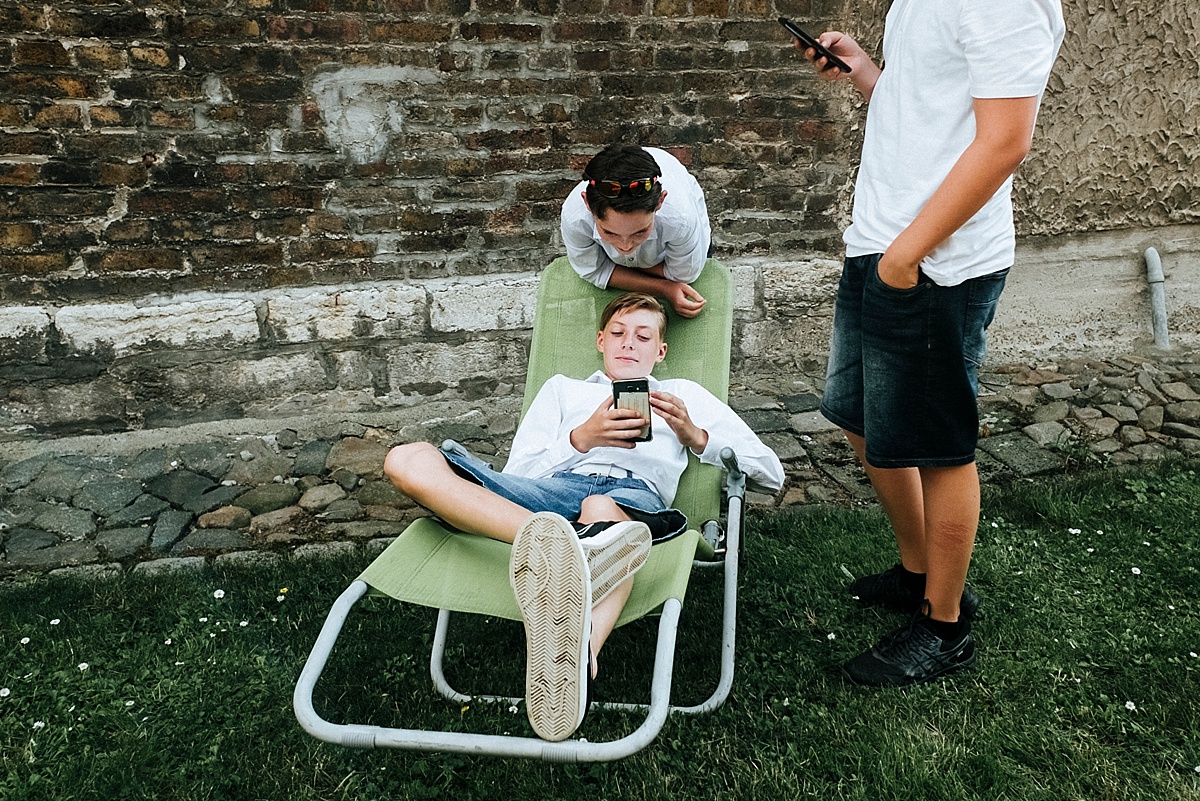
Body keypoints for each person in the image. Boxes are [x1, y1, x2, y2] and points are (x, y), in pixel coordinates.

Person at [795, 2, 1065, 686]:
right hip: (882, 238)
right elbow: (928, 110)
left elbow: (1005, 140)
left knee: (940, 448)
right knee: (855, 412)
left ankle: (944, 625)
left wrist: (906, 255)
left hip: (937, 262)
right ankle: (918, 572)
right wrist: (866, 73)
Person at [384, 293, 784, 739]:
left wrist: (695, 435)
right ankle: (571, 549)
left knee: (601, 511)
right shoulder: (562, 389)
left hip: (631, 499)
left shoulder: (683, 395)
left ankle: (576, 661)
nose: (628, 343)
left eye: (643, 336)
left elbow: (770, 471)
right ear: (600, 340)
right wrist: (581, 438)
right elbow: (519, 474)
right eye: (617, 333)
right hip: (549, 493)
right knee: (407, 459)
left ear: (660, 351)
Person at [560, 144, 713, 318]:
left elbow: (684, 275)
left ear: (660, 202)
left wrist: (610, 266)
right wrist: (664, 288)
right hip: (661, 269)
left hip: (677, 252)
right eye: (610, 233)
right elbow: (592, 271)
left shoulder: (681, 219)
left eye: (639, 232)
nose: (625, 247)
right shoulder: (575, 218)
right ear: (587, 204)